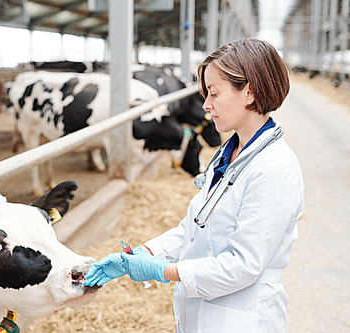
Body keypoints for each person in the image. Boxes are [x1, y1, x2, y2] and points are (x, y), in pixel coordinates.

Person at [84, 38, 304, 333]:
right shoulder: (230, 152)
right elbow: (198, 227)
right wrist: (148, 252)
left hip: (241, 321)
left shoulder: (274, 168)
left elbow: (244, 265)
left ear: (249, 93)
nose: (205, 104)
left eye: (214, 93)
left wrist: (164, 271)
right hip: (204, 316)